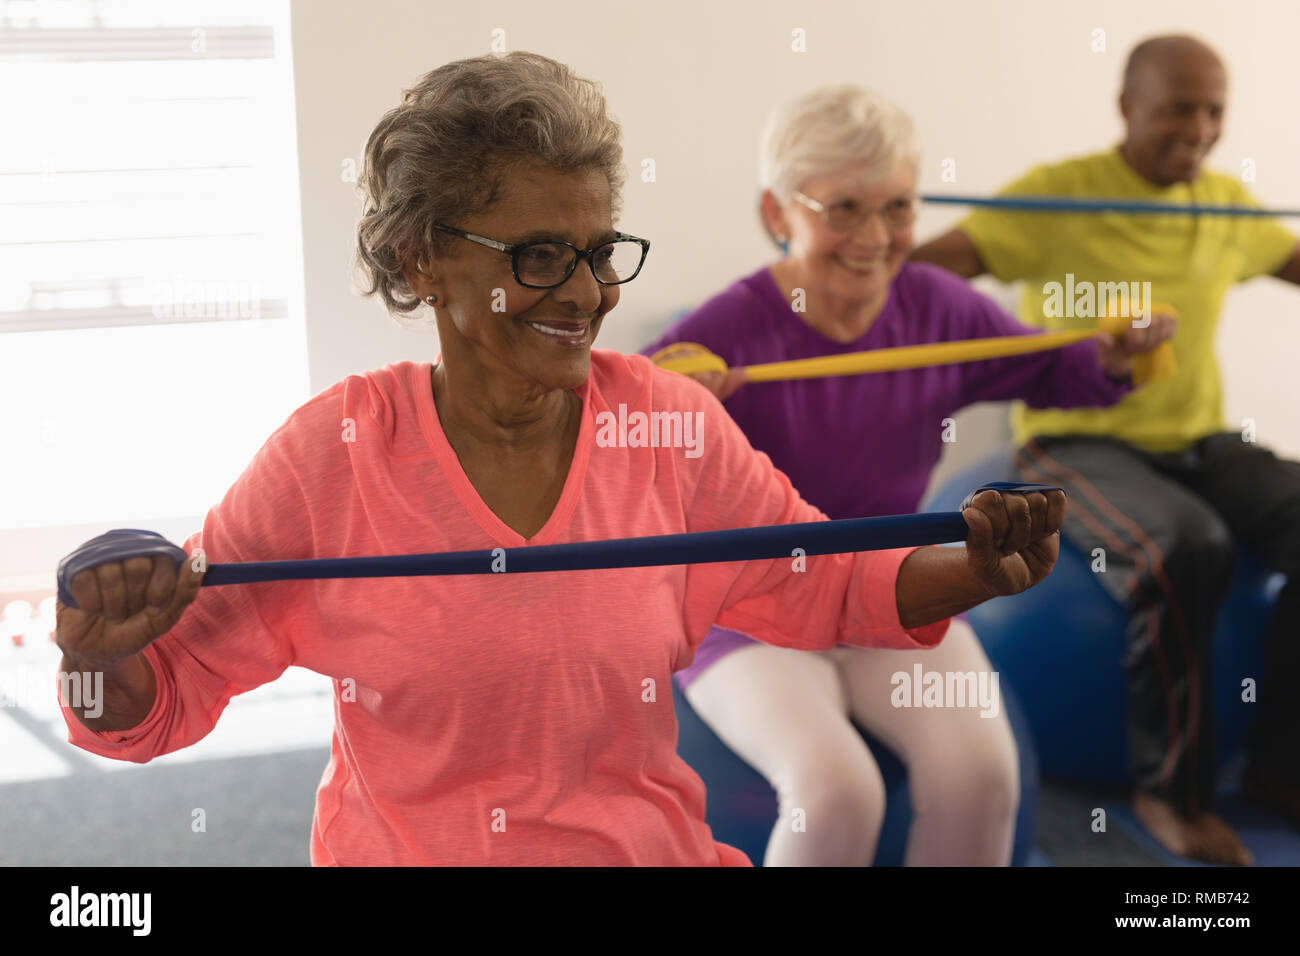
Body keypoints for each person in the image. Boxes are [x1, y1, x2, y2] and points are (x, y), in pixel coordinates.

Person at [51, 52, 1065, 867]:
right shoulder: (337, 454)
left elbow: (827, 576)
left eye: (597, 250)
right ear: (422, 259)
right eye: (538, 255)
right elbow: (139, 713)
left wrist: (978, 567)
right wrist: (98, 659)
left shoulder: (664, 425)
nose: (584, 293)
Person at [643, 85, 1172, 866]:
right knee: (835, 791)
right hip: (751, 615)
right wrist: (674, 408)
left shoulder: (937, 307)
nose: (876, 237)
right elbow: (623, 452)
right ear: (777, 213)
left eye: (897, 208)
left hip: (895, 590)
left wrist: (1118, 355)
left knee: (985, 776)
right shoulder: (725, 332)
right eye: (844, 208)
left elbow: (1055, 367)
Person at [911, 33, 1300, 866]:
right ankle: (1170, 798)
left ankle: (1281, 771)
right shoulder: (1059, 196)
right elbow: (919, 279)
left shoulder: (1225, 206)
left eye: (1214, 112)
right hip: (1076, 437)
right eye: (1177, 109)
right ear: (1128, 106)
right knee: (1181, 546)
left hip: (1197, 442)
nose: (1197, 129)